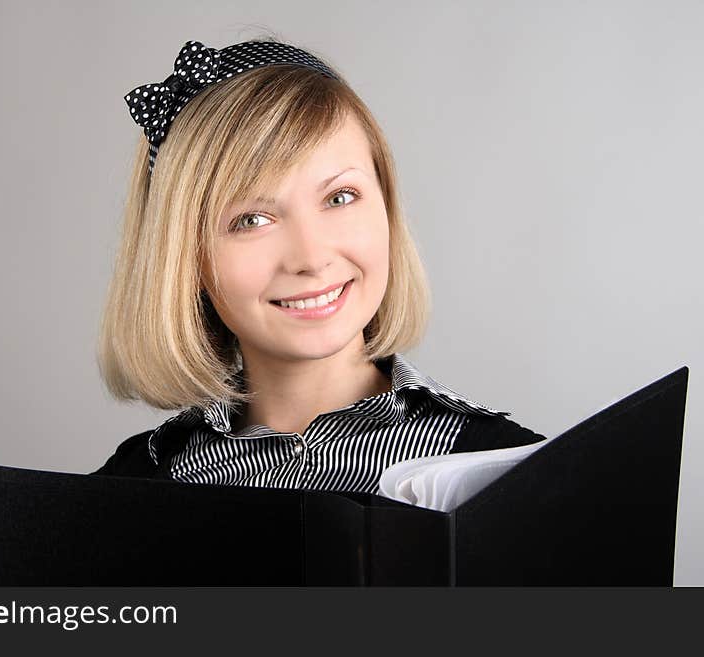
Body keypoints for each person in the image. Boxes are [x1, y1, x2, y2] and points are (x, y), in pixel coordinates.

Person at [92, 38, 546, 493]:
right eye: (251, 219)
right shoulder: (131, 488)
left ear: (386, 208)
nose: (311, 258)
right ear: (185, 258)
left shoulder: (508, 474)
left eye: (339, 197)